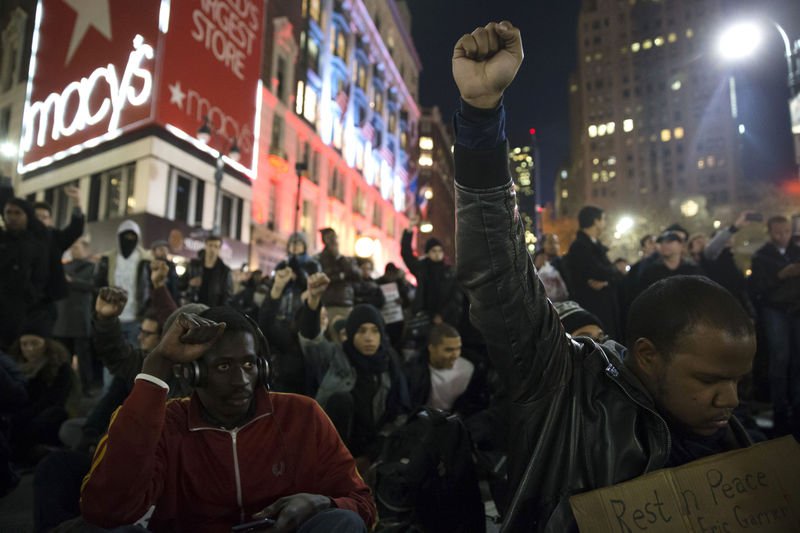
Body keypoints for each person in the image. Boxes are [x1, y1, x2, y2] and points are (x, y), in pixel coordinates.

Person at [451, 22, 757, 530]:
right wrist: (481, 117)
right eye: (708, 380)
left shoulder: (742, 441)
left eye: (737, 380)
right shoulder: (569, 392)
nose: (732, 400)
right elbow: (498, 276)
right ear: (648, 356)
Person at [80, 306, 375, 532]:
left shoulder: (303, 415)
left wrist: (324, 502)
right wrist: (157, 366)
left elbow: (363, 504)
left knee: (341, 522)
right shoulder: (164, 422)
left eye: (248, 363)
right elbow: (106, 508)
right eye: (223, 366)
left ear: (262, 367)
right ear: (193, 373)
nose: (241, 380)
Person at [297, 273, 411, 462]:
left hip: (374, 451)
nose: (369, 337)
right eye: (361, 331)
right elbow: (311, 342)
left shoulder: (389, 361)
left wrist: (374, 453)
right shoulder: (336, 356)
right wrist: (314, 300)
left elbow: (399, 413)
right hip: (334, 451)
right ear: (350, 334)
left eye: (375, 331)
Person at [750, 215, 800, 435]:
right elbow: (757, 288)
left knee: (798, 359)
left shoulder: (796, 251)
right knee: (780, 358)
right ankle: (780, 407)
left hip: (796, 308)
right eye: (778, 232)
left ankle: (797, 405)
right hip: (774, 310)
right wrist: (780, 275)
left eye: (786, 231)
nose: (783, 236)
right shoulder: (761, 256)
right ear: (770, 232)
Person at [7, 326, 78, 465]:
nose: (30, 349)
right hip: (22, 414)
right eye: (25, 344)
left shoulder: (59, 367)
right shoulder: (15, 367)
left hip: (48, 414)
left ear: (46, 344)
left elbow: (55, 399)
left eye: (35, 343)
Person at [405, 323, 489, 417]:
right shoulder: (414, 372)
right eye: (449, 350)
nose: (455, 355)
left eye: (458, 348)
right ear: (432, 348)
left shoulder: (470, 369)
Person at [565, 205, 622, 339]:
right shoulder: (580, 246)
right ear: (596, 221)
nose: (604, 223)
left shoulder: (595, 245)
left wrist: (609, 276)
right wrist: (613, 270)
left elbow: (608, 273)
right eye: (603, 219)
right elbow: (599, 272)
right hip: (593, 308)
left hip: (605, 305)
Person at [0, 197, 50, 350]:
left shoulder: (35, 245)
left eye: (17, 213)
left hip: (23, 314)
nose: (12, 217)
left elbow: (40, 278)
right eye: (8, 212)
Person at [401, 215, 464, 331]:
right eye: (434, 251)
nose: (437, 253)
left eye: (440, 250)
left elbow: (455, 297)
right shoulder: (422, 268)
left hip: (446, 321)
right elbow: (406, 254)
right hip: (424, 318)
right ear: (427, 253)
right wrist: (410, 229)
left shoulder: (450, 272)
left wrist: (442, 315)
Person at [94, 220, 152, 345]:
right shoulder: (107, 259)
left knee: (133, 357)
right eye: (126, 236)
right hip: (112, 317)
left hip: (136, 318)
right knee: (111, 355)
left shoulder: (146, 260)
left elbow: (150, 288)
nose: (129, 240)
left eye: (132, 237)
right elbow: (98, 285)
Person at [53, 237, 97, 395]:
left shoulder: (92, 267)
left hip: (80, 318)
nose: (74, 250)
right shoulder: (65, 266)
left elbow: (92, 286)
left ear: (86, 249)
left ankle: (86, 387)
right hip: (62, 318)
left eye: (77, 247)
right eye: (72, 247)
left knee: (83, 357)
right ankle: (64, 387)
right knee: (63, 356)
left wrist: (71, 281)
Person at [34, 186, 85, 311]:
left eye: (44, 217)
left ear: (50, 220)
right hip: (21, 298)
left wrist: (77, 203)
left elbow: (75, 230)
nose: (40, 221)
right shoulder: (20, 238)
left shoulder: (54, 238)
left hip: (46, 299)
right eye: (37, 217)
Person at [634, 230, 703, 298]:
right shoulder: (650, 272)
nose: (664, 245)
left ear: (681, 245)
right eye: (661, 242)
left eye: (669, 241)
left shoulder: (693, 269)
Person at [315, 228, 361, 326]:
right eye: (329, 237)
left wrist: (339, 257)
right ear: (324, 240)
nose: (333, 240)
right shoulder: (319, 259)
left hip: (345, 302)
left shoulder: (344, 259)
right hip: (328, 303)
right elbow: (323, 278)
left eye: (334, 237)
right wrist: (341, 276)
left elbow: (356, 275)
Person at [182, 234, 233, 307]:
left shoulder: (225, 271)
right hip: (192, 308)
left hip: (212, 311)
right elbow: (181, 284)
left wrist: (219, 313)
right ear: (205, 246)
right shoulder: (193, 265)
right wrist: (190, 283)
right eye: (210, 245)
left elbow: (227, 297)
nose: (212, 249)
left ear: (219, 249)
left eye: (216, 246)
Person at [147, 240, 181, 304]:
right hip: (154, 301)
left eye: (166, 250)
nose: (164, 252)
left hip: (171, 300)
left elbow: (176, 284)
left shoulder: (171, 266)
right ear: (154, 252)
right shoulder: (147, 266)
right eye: (161, 250)